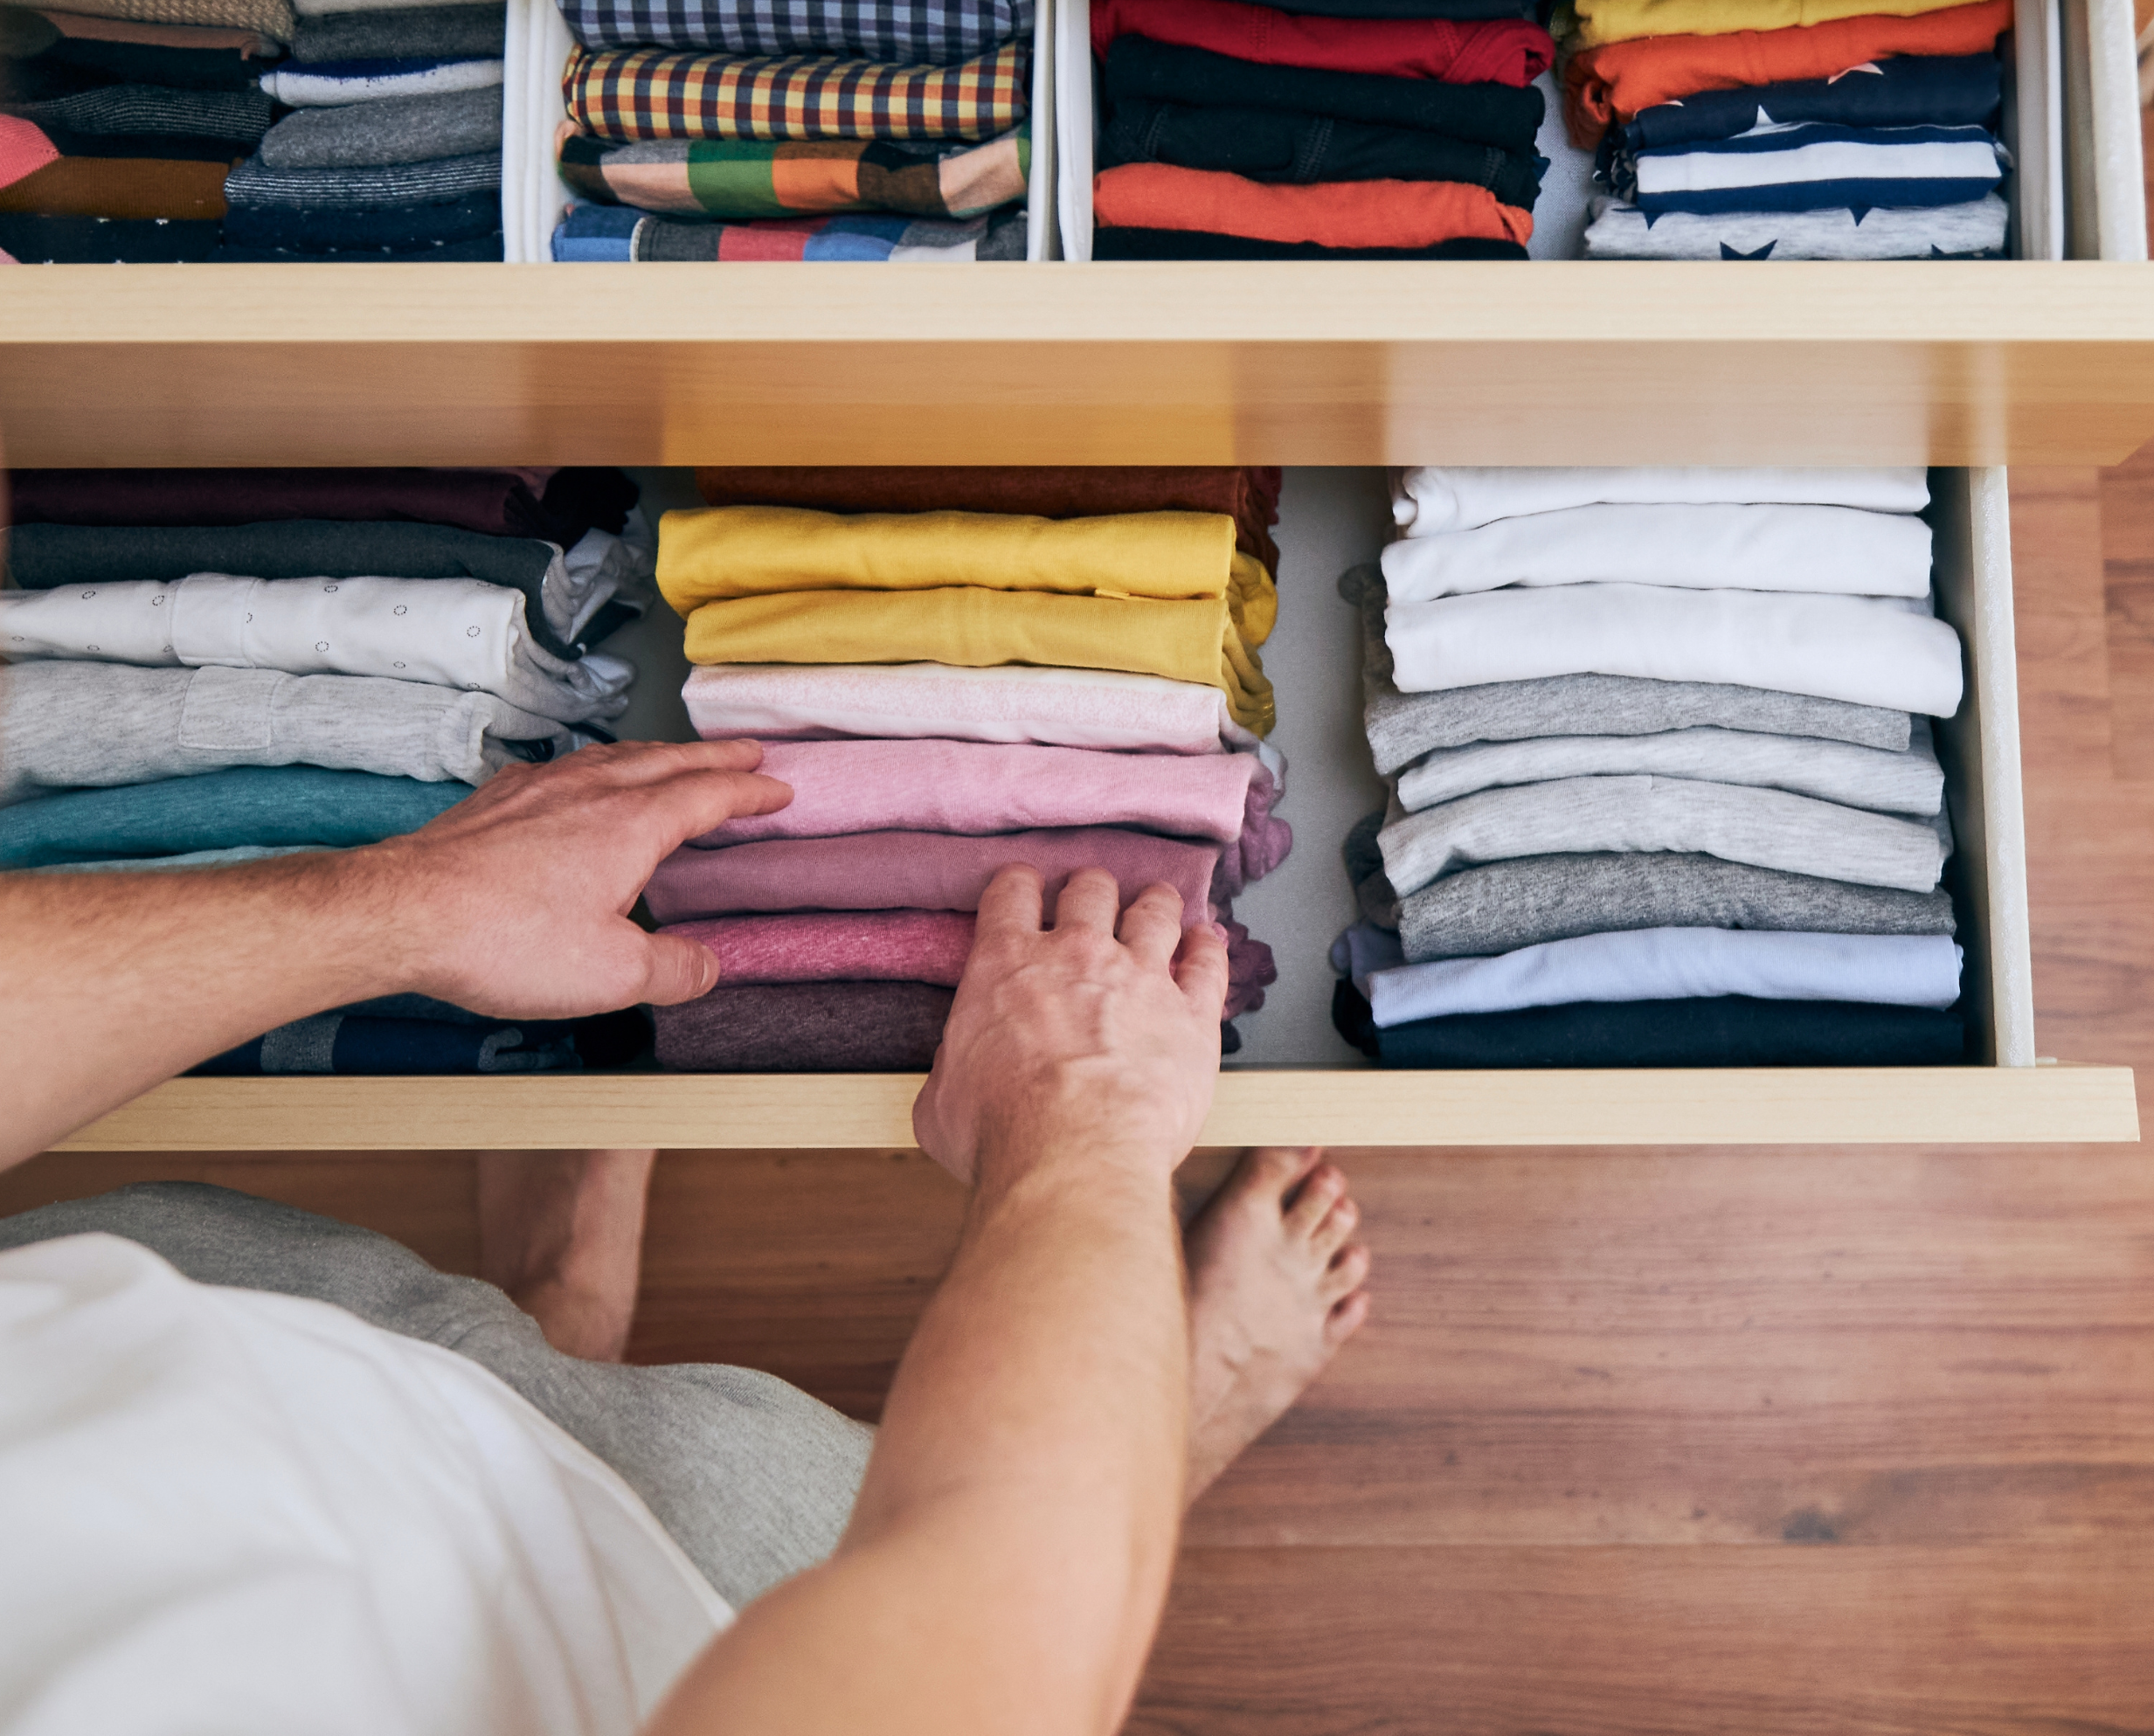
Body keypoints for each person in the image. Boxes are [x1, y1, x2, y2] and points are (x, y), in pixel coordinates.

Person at [0, 737, 1372, 1733]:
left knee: (455, 1338)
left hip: (178, 1312)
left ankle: (543, 1314)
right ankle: (1167, 1422)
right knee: (939, 1538)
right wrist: (1083, 1121)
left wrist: (404, 903)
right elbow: (1001, 1634)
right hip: (671, 1612)